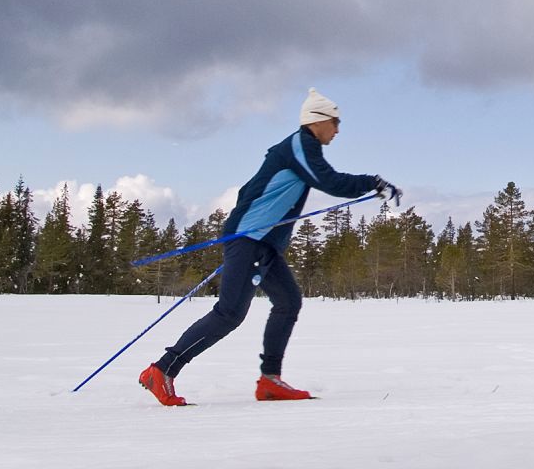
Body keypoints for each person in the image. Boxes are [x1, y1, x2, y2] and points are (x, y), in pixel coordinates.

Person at [139, 87, 402, 405]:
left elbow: (248, 189)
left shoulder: (296, 151)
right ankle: (162, 370)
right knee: (229, 314)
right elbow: (330, 182)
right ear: (316, 121)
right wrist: (373, 182)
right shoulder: (300, 145)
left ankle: (270, 381)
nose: (338, 129)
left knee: (288, 302)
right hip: (250, 240)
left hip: (261, 244)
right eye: (335, 122)